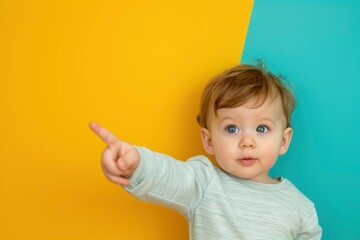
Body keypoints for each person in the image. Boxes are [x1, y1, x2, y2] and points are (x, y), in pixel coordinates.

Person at [90, 62, 322, 239]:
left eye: (262, 128)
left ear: (283, 140)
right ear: (209, 141)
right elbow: (168, 175)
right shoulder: (204, 182)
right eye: (232, 128)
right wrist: (136, 163)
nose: (247, 141)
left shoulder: (301, 208)